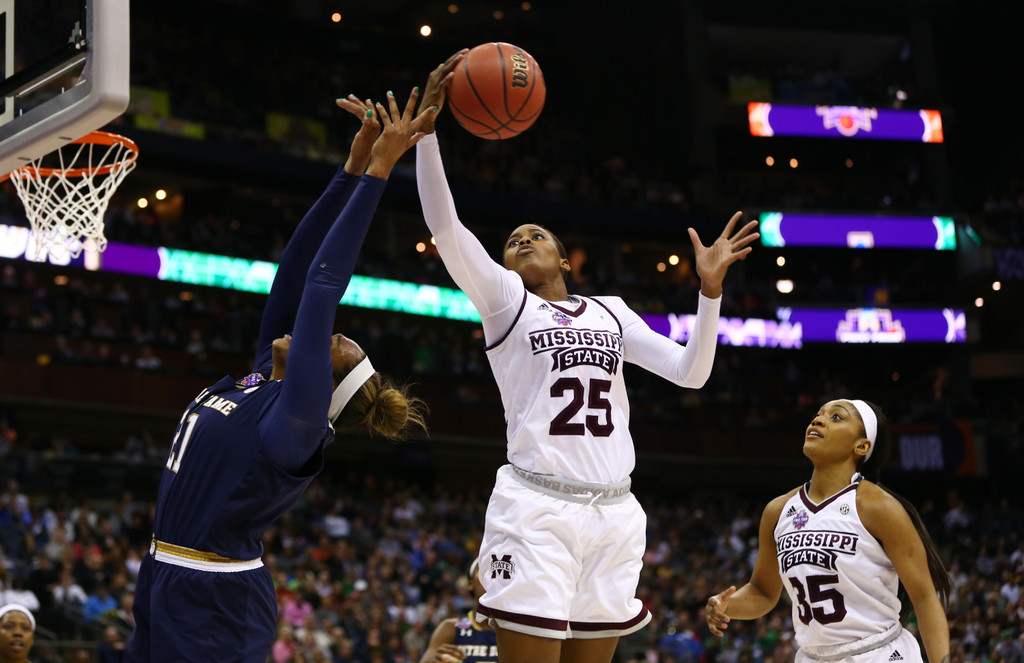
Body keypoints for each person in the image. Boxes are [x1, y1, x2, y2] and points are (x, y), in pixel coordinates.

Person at [413, 52, 759, 663]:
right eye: (512, 240)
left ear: (567, 260)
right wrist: (428, 136)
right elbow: (445, 227)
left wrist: (710, 293)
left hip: (617, 512)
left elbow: (692, 372)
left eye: (537, 235)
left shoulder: (612, 310)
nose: (522, 240)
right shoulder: (505, 302)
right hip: (537, 503)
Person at [123, 90, 429, 663]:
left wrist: (381, 175)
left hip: (218, 603)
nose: (326, 336)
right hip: (165, 575)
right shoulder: (264, 379)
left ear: (324, 383)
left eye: (334, 345)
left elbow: (322, 284)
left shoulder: (299, 425)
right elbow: (296, 265)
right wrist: (352, 168)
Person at [705, 399, 952, 663]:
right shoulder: (777, 511)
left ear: (862, 446)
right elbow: (763, 592)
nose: (818, 420)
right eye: (818, 415)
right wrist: (727, 606)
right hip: (812, 657)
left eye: (836, 417)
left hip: (878, 654)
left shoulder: (879, 507)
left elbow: (925, 597)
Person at [420, 561, 498, 663]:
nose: (491, 578)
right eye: (484, 571)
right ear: (470, 584)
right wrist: (435, 660)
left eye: (496, 573)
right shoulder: (450, 627)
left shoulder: (516, 628)